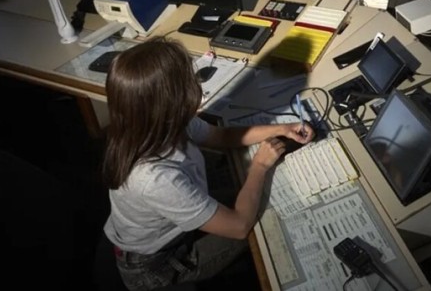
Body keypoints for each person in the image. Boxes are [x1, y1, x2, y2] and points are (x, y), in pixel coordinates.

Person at [102, 38, 315, 291]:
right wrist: (259, 166)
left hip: (170, 224)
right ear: (169, 103)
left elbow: (221, 136)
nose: (197, 85)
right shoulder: (154, 179)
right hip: (157, 263)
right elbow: (238, 226)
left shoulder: (158, 122)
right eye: (190, 81)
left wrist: (282, 128)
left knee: (254, 195)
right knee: (265, 216)